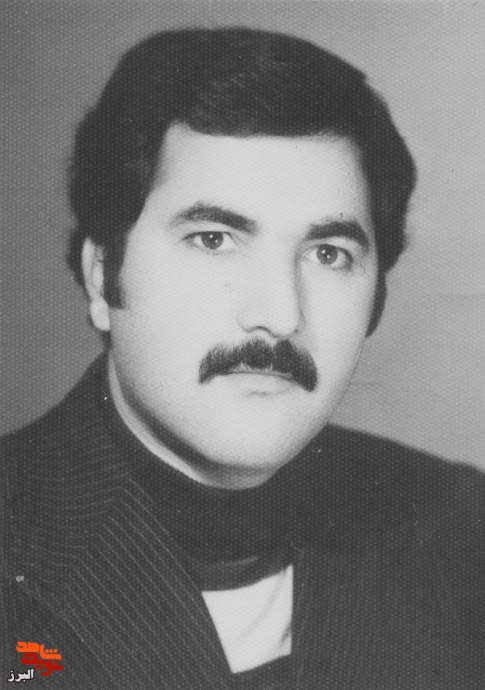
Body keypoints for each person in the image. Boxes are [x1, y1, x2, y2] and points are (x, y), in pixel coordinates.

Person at [1, 27, 483, 689]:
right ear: (101, 276)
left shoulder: (461, 529)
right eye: (213, 239)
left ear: (376, 297)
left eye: (328, 254)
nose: (279, 314)